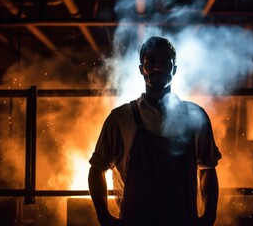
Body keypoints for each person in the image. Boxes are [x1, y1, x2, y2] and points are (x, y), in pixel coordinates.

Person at [88, 36, 221, 226]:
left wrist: (209, 217)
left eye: (165, 62)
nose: (158, 67)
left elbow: (207, 169)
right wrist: (104, 217)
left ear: (174, 69)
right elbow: (96, 169)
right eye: (151, 62)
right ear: (141, 68)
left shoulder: (195, 116)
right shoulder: (120, 118)